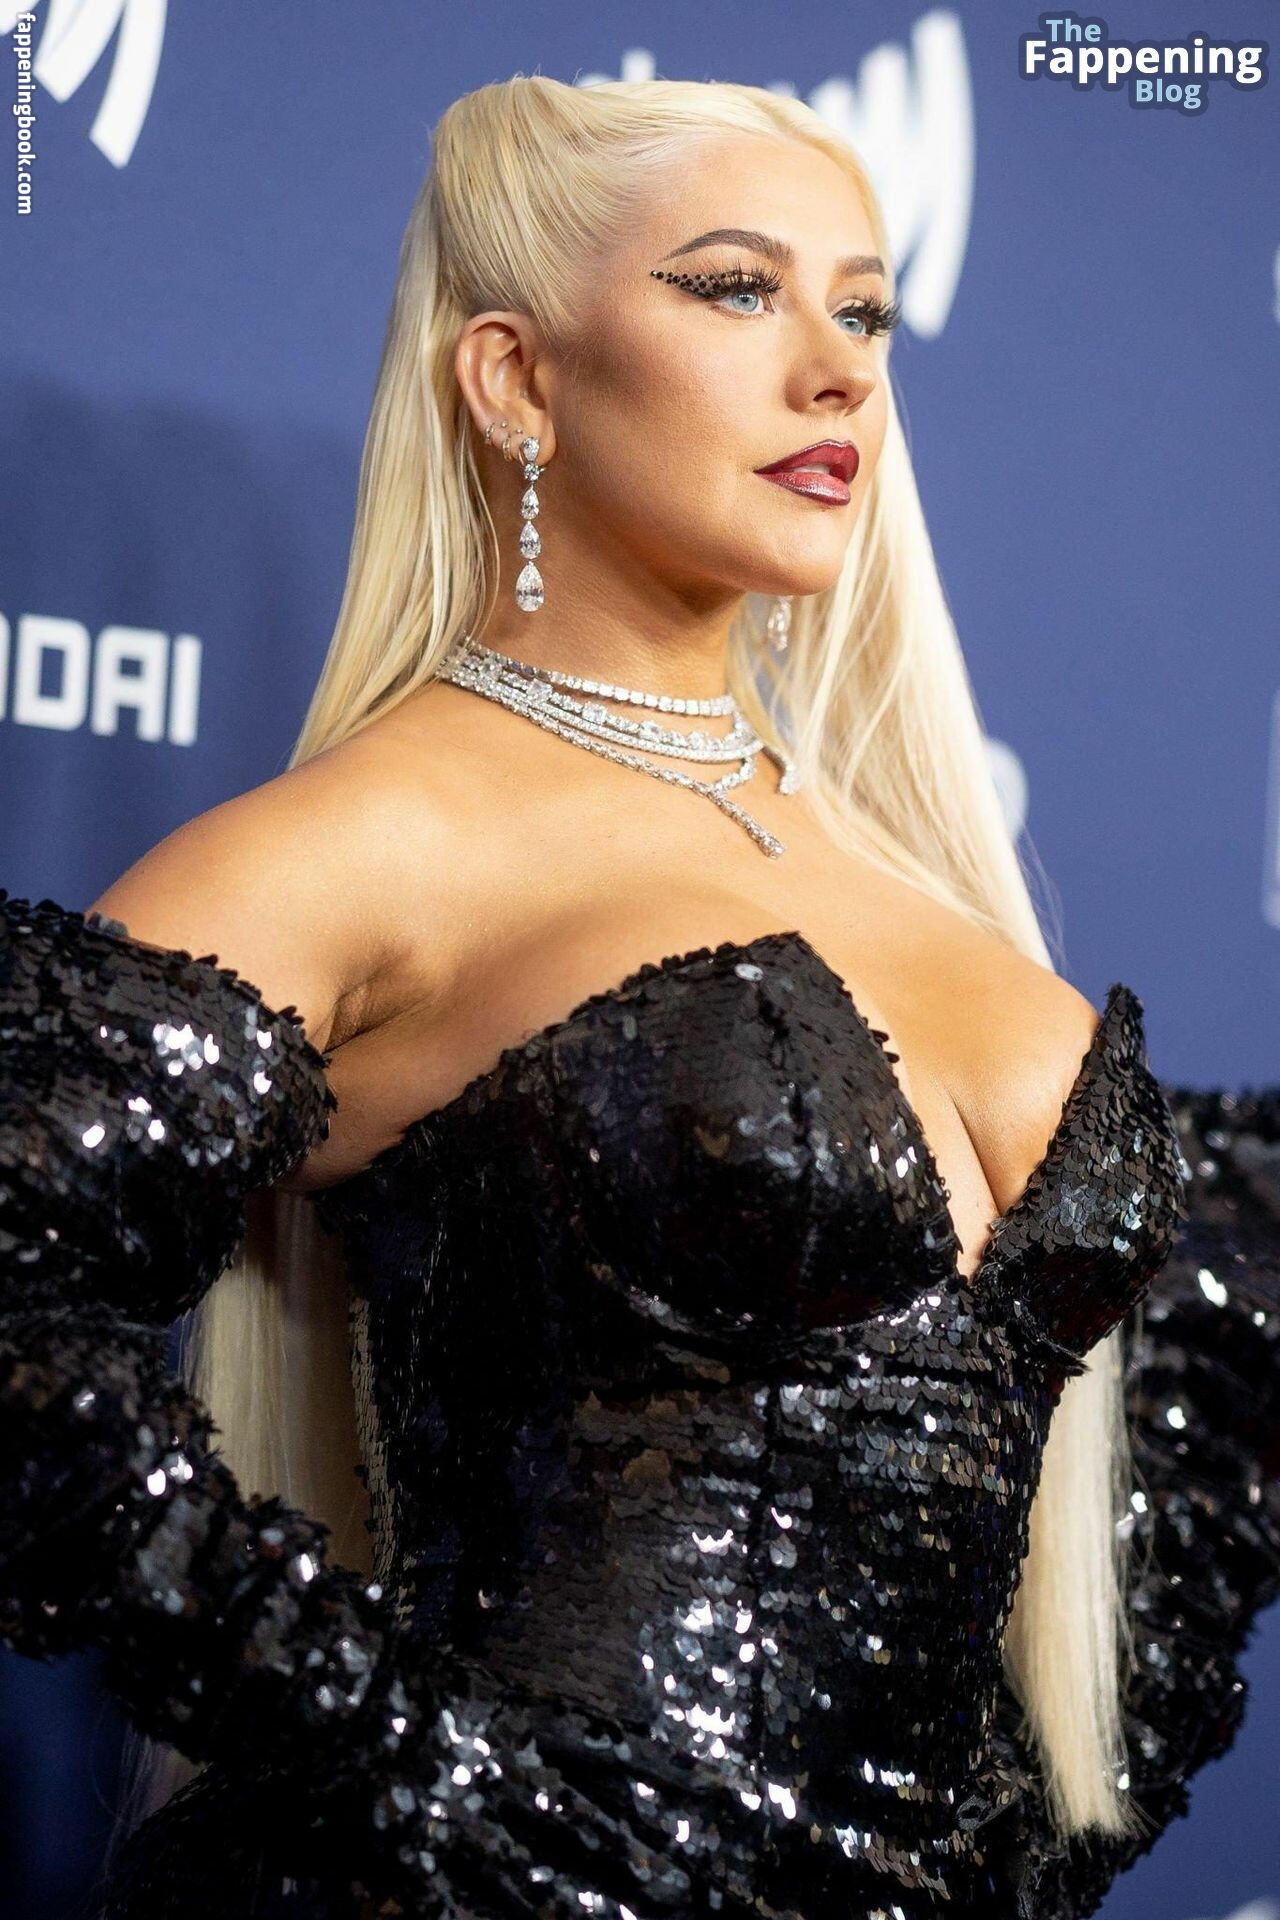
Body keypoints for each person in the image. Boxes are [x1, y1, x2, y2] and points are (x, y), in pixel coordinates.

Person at [0, 74, 1276, 1920]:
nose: (836, 373)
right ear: (517, 378)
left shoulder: (922, 874)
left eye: (866, 311)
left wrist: (1027, 1815)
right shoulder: (374, 843)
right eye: (738, 288)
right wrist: (404, 1764)